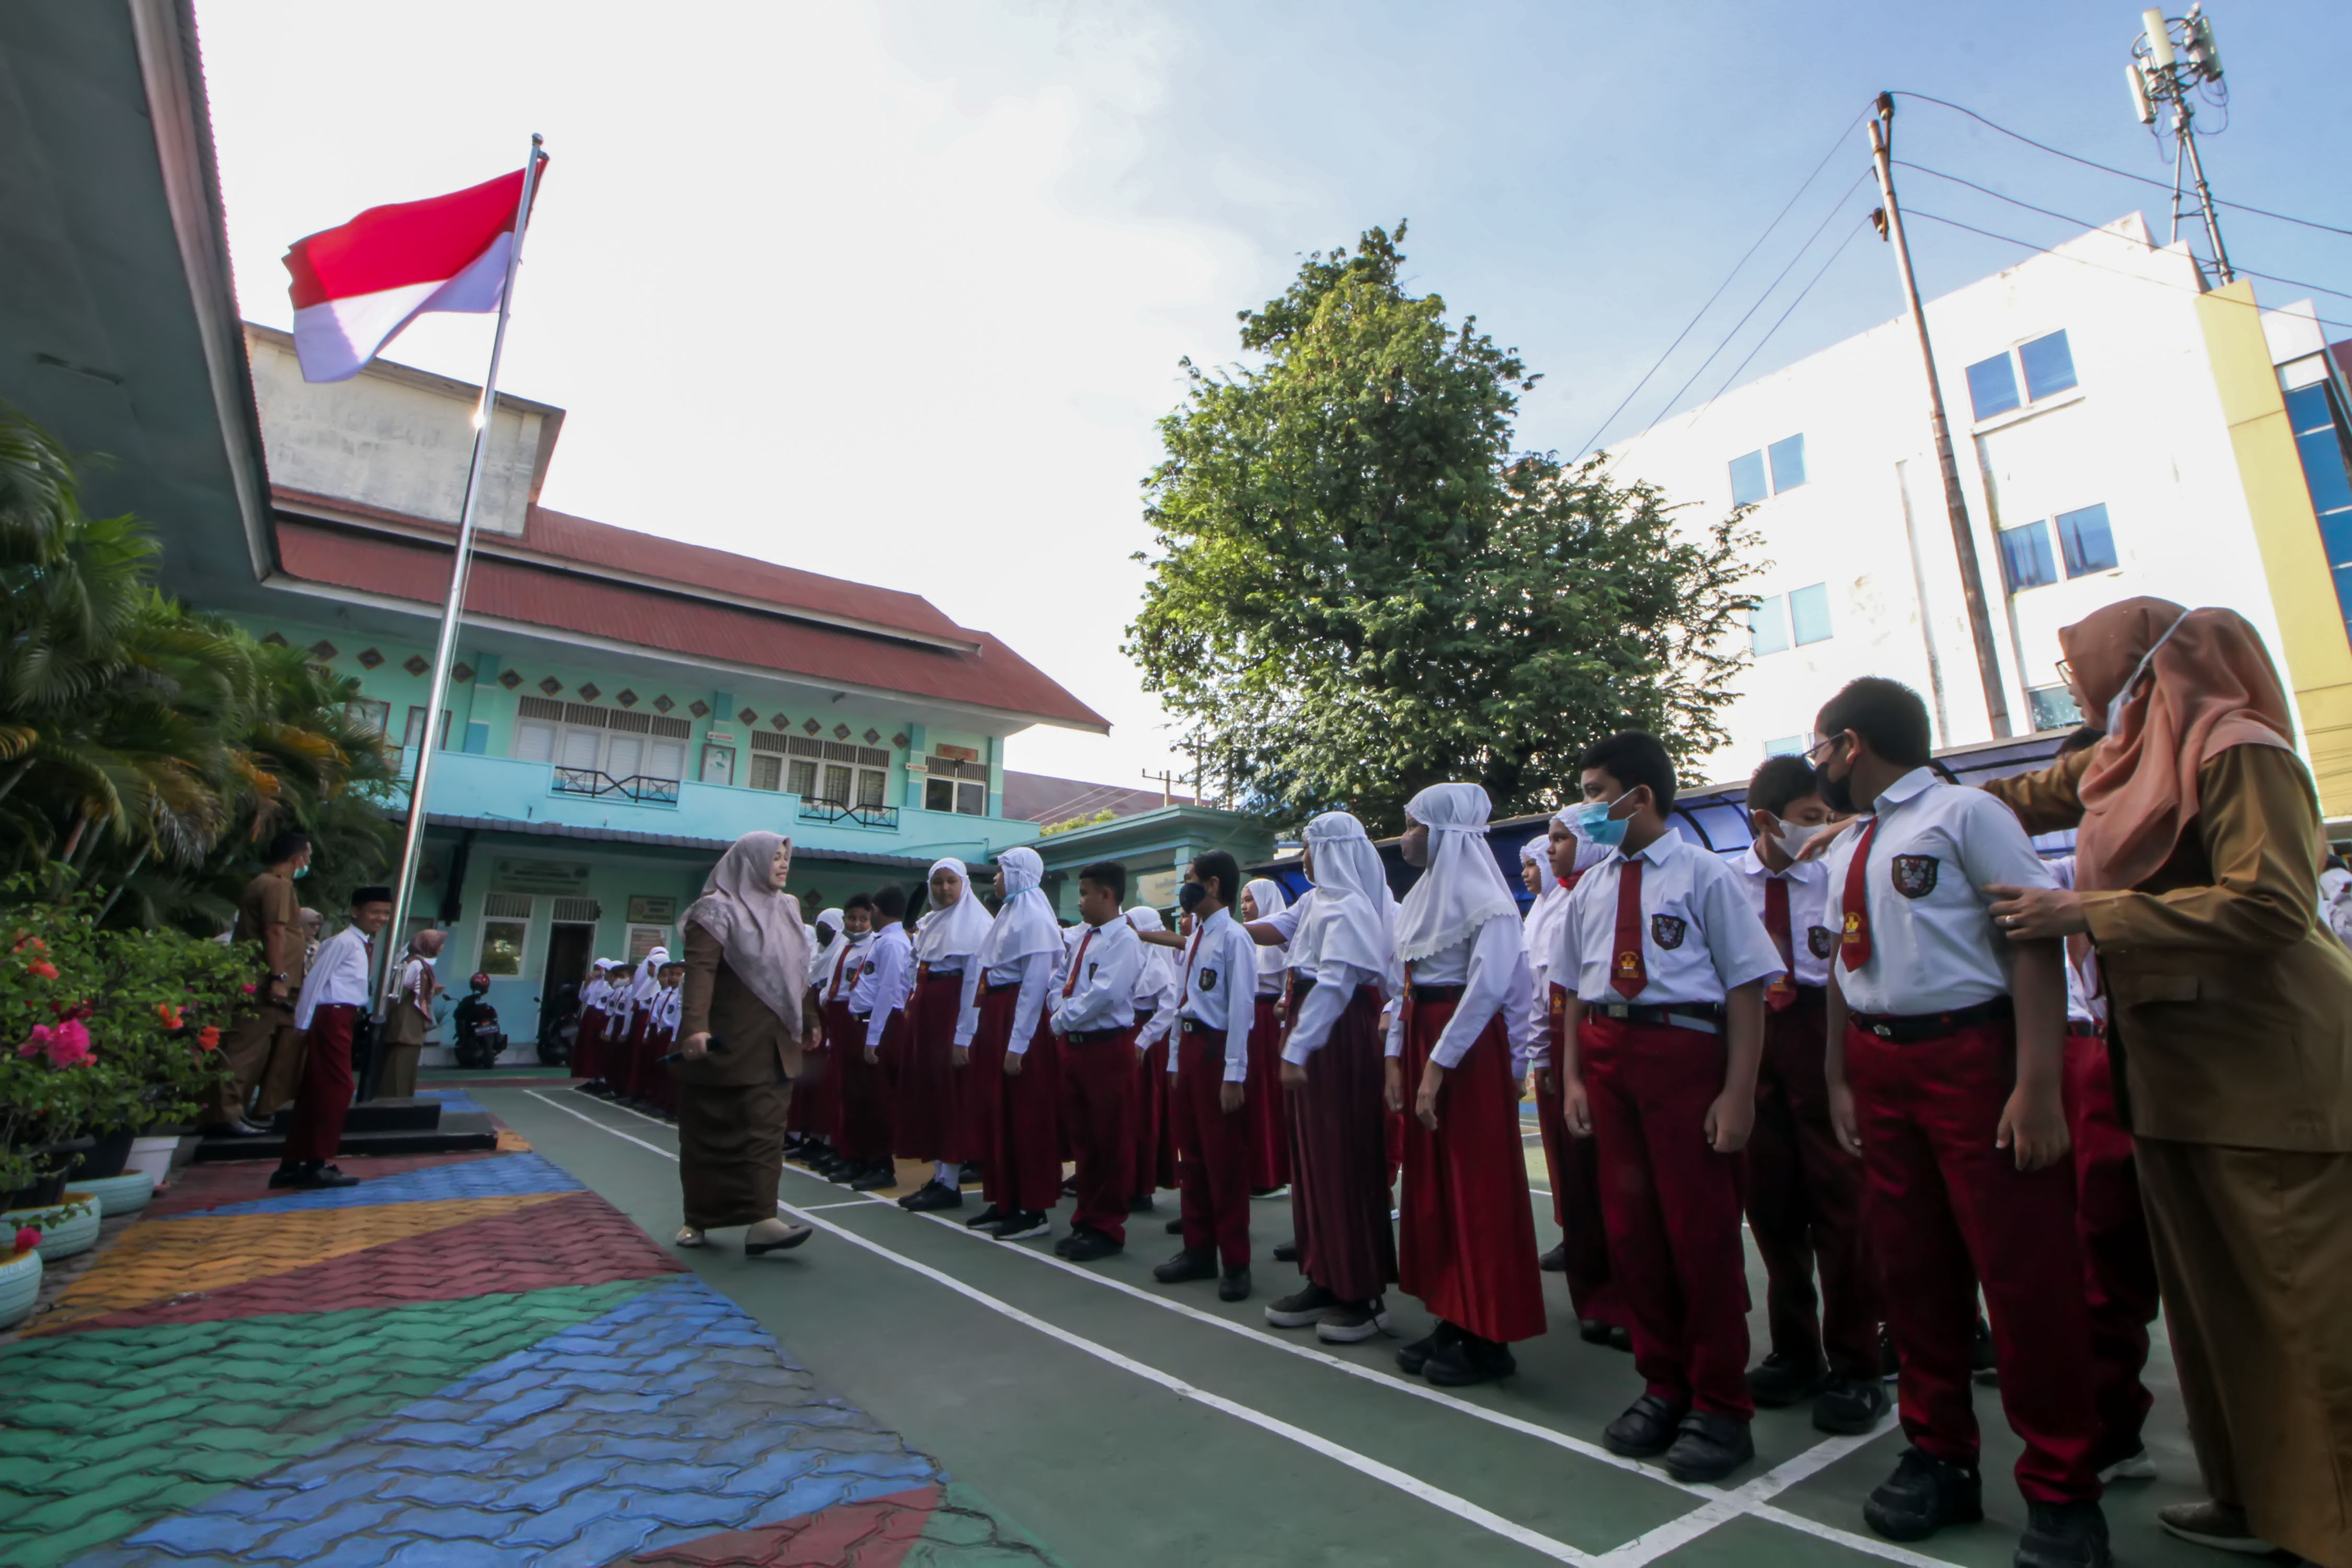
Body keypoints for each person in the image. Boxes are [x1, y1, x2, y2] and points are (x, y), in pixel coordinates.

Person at [1977, 601, 2352, 1565]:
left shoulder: (2236, 744)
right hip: (2179, 1075)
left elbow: (2269, 902)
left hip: (2265, 1072)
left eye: (2080, 666)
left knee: (2299, 1309)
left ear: (2136, 665)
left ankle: (2333, 1521)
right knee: (2217, 1316)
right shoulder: (2124, 759)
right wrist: (1894, 800)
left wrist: (2086, 911)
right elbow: (2029, 795)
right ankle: (2259, 1497)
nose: (2074, 687)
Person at [1813, 677, 2107, 1566]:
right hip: (1879, 1061)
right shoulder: (1850, 845)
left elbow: (2033, 939)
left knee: (2025, 1278)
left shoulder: (1964, 815)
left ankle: (2062, 1492)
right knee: (1912, 1274)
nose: (1816, 764)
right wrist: (1839, 1080)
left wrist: (2037, 1086)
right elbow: (1841, 970)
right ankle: (1939, 1453)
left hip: (1972, 1059)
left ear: (1852, 744)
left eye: (1822, 748)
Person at [1553, 732, 1778, 1482]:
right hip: (1611, 1057)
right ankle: (1663, 1384)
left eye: (1595, 793)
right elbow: (1579, 994)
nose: (1587, 810)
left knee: (1699, 1232)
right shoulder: (1591, 887)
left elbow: (1748, 988)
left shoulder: (1702, 875)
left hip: (1683, 1053)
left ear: (1638, 798)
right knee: (1633, 1231)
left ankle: (1721, 1405)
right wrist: (1577, 1080)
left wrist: (1738, 1092)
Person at [1731, 755, 1887, 1436]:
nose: (1821, 830)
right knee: (1771, 1210)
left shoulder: (1837, 873)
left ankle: (1857, 1364)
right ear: (1764, 821)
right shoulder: (1724, 884)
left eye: (1826, 818)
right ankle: (1796, 1349)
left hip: (1825, 1042)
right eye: (1808, 819)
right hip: (1756, 1046)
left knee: (1843, 1214)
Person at [1384, 786, 1545, 1385]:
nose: (1406, 837)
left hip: (1465, 1050)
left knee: (1476, 1189)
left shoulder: (1487, 900)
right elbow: (1406, 985)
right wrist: (1397, 1058)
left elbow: (1487, 991)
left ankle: (1488, 1334)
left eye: (1413, 825)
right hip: (1426, 1034)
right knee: (1438, 1189)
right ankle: (1453, 1313)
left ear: (1443, 831)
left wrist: (1437, 1066)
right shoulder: (1421, 897)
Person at [2044, 845, 2159, 1487]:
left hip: (2168, 1058)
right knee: (2097, 1255)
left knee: (2116, 1257)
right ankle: (2114, 1429)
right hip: (2095, 1055)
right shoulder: (2074, 871)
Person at [1266, 813, 1398, 1342]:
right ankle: (1324, 1273)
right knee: (1312, 1160)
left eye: (1309, 847)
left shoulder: (1348, 908)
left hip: (1336, 1040)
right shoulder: (1318, 902)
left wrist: (1299, 1045)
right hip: (1316, 1035)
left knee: (1341, 1158)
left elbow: (1337, 984)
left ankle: (1360, 1292)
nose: (1303, 856)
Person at [673, 830, 819, 1255]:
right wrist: (694, 1027)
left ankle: (763, 1221)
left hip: (776, 1042)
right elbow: (699, 970)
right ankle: (698, 1220)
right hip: (725, 1043)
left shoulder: (788, 908)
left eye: (785, 857)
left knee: (765, 1133)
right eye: (774, 857)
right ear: (750, 861)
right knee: (708, 1134)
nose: (782, 864)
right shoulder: (716, 910)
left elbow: (799, 970)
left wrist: (809, 1017)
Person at [1529, 810, 1628, 1346]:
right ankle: (1597, 1295)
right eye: (1550, 840)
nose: (1552, 850)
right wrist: (1545, 1058)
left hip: (1606, 1037)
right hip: (1571, 1041)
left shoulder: (1603, 893)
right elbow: (1548, 987)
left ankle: (1630, 1295)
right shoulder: (1555, 904)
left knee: (1619, 1178)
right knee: (1582, 1177)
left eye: (1562, 839)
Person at [1154, 849, 1260, 1300]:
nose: (1186, 885)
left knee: (1224, 1160)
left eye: (1192, 878)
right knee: (1192, 1156)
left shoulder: (1234, 938)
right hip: (1192, 1048)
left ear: (1214, 885)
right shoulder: (1196, 936)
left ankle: (1235, 1261)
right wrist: (1176, 1061)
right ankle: (1197, 1248)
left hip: (1219, 1050)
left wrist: (1234, 1074)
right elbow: (1183, 1004)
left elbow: (1241, 1009)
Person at [964, 846, 1062, 1241]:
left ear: (1020, 874)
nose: (996, 879)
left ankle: (1033, 1207)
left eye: (1002, 872)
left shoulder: (1036, 919)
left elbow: (1035, 986)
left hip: (1018, 1017)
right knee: (999, 1110)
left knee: (1026, 1114)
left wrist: (1018, 1044)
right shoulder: (1009, 914)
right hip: (998, 1012)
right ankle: (1004, 1197)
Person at [1050, 861, 1146, 1260]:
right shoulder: (1086, 938)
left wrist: (1061, 1017)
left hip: (1107, 1047)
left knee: (1109, 1139)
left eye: (1086, 892)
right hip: (1077, 1045)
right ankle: (1086, 1218)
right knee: (1085, 1139)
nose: (1081, 900)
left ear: (1107, 895)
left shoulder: (1123, 940)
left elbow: (1105, 994)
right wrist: (1059, 1010)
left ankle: (1107, 1227)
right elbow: (1061, 981)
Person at [273, 885, 395, 1189]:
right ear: (355, 911)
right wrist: (303, 1024)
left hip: (343, 1016)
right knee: (337, 1089)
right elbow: (315, 981)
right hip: (331, 1016)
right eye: (373, 912)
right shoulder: (342, 943)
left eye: (385, 913)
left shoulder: (361, 943)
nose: (380, 918)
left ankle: (294, 1163)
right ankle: (318, 1161)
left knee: (318, 1089)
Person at [895, 857, 993, 1213]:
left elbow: (973, 986)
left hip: (951, 1016)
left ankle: (949, 1180)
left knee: (951, 1097)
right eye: (938, 883)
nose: (945, 889)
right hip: (927, 1015)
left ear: (964, 884)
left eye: (952, 882)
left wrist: (963, 1036)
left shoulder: (977, 925)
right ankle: (938, 1176)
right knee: (930, 1094)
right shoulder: (931, 922)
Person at [211, 831, 313, 1135]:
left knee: (252, 1050)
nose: (307, 862)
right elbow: (274, 932)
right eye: (307, 856)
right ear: (298, 858)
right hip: (264, 980)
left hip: (259, 978)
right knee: (245, 1049)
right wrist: (278, 977)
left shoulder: (264, 883)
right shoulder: (277, 886)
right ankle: (225, 1115)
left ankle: (234, 1111)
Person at [833, 891, 900, 1191]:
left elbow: (888, 993)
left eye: (868, 913)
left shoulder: (894, 943)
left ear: (877, 910)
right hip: (859, 1023)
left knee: (876, 1100)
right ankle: (859, 1157)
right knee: (857, 1096)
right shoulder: (880, 942)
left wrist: (874, 1037)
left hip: (877, 1025)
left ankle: (881, 1164)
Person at [811, 894, 878, 1183]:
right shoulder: (844, 946)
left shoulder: (872, 948)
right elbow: (830, 983)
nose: (857, 924)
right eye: (852, 918)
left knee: (858, 1091)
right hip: (836, 1017)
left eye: (863, 919)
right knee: (840, 1087)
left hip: (855, 1019)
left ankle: (862, 1155)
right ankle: (843, 1148)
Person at [1238, 879, 1294, 1198]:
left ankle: (1271, 1173)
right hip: (1249, 1019)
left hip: (1268, 1021)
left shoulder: (1283, 941)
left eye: (1250, 900)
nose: (1244, 907)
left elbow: (1288, 981)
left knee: (1265, 1094)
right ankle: (1253, 1168)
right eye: (1242, 901)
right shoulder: (1245, 939)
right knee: (1248, 1092)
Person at [1126, 906, 1180, 1214]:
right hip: (1129, 1034)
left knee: (1143, 1112)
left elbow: (1168, 1006)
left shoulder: (1157, 961)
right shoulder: (1130, 955)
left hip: (1147, 1041)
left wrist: (1144, 1038)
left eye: (1134, 926)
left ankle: (1141, 1186)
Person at [380, 929, 444, 1099]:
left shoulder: (420, 964)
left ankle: (400, 1101)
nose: (441, 948)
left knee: (406, 1066)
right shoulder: (415, 964)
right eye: (439, 944)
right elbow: (399, 990)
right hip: (406, 1022)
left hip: (410, 1022)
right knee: (399, 1066)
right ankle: (394, 1103)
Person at [452, 974, 507, 1069]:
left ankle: (464, 1042)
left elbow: (494, 1016)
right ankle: (464, 1042)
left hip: (485, 1026)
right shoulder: (470, 999)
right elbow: (460, 1014)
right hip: (478, 1027)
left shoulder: (475, 999)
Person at [572, 960, 614, 1083]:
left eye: (600, 969)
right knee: (587, 1043)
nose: (598, 971)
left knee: (598, 1045)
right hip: (590, 1014)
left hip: (601, 1015)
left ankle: (599, 1075)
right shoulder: (592, 982)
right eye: (596, 968)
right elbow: (583, 998)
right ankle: (588, 1074)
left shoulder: (609, 985)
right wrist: (588, 982)